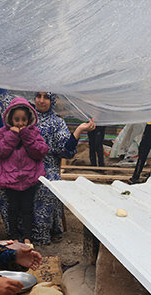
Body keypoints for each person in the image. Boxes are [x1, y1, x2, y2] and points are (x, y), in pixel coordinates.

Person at [29, 92, 94, 244]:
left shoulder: (57, 123)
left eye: (46, 97)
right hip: (23, 165)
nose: (41, 100)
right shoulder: (26, 117)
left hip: (47, 167)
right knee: (0, 186)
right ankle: (18, 232)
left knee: (45, 185)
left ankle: (42, 234)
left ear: (53, 100)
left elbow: (66, 151)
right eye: (38, 96)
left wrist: (78, 131)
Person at [0, 97, 49, 246]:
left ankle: (28, 237)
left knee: (27, 209)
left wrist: (26, 136)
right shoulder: (3, 133)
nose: (20, 123)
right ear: (10, 119)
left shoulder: (34, 133)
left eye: (23, 120)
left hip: (29, 178)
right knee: (13, 209)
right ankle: (14, 237)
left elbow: (40, 151)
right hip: (10, 179)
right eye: (16, 119)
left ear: (29, 119)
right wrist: (12, 136)